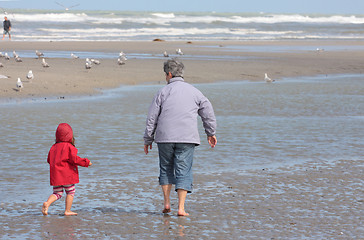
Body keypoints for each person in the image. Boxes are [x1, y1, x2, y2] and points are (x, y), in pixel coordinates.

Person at [144, 58, 217, 216]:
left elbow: (152, 117)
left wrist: (148, 138)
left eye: (165, 74)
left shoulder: (162, 92)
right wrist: (210, 132)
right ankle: (181, 208)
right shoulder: (194, 91)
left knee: (166, 168)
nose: (165, 77)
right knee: (184, 170)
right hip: (187, 138)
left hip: (164, 138)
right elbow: (207, 111)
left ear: (169, 74)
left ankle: (166, 203)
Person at [42, 123, 92, 216]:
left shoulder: (53, 147)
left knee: (57, 193)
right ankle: (67, 210)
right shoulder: (69, 147)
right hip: (67, 175)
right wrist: (86, 162)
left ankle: (47, 203)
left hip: (56, 175)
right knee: (70, 191)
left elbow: (49, 160)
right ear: (70, 136)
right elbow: (75, 159)